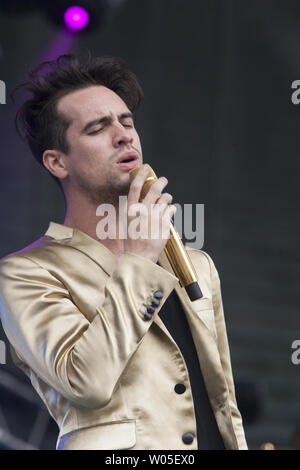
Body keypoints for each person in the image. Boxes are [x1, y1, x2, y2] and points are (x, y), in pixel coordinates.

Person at [0, 53, 247, 450]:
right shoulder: (26, 272)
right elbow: (86, 381)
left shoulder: (196, 264)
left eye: (127, 122)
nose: (123, 135)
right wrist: (138, 260)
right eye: (98, 128)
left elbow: (223, 402)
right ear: (57, 162)